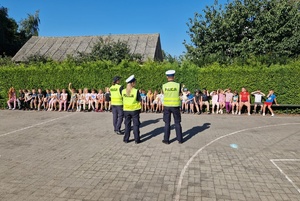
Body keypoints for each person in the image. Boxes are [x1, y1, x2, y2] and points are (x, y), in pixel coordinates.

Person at [162, 70, 183, 144]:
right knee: (177, 123)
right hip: (175, 106)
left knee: (167, 123)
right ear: (174, 77)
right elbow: (180, 94)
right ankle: (180, 139)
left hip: (167, 106)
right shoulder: (178, 85)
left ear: (167, 77)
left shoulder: (164, 86)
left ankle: (166, 140)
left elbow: (164, 94)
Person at [122, 75, 142, 144]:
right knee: (136, 125)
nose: (135, 83)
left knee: (127, 125)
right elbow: (140, 100)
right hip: (134, 110)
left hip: (126, 110)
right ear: (132, 83)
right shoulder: (136, 91)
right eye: (135, 82)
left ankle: (126, 139)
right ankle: (137, 139)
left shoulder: (123, 91)